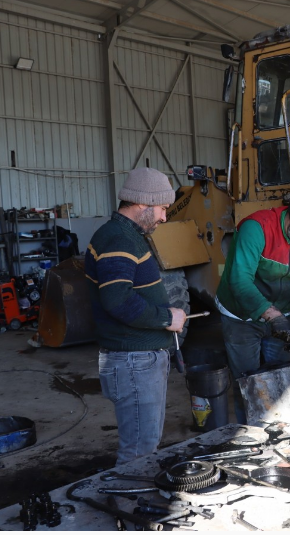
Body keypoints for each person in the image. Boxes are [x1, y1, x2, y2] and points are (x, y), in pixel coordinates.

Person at [85, 167, 187, 465]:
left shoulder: (123, 235)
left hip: (137, 360)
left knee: (145, 444)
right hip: (134, 362)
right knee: (139, 453)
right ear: (143, 204)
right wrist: (167, 318)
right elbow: (118, 301)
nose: (164, 217)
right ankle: (126, 507)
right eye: (163, 209)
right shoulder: (120, 240)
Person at [216, 194, 290, 424]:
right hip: (240, 316)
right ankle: (248, 435)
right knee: (247, 383)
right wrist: (271, 314)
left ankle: (278, 432)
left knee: (282, 379)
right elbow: (239, 280)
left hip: (282, 313)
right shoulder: (256, 228)